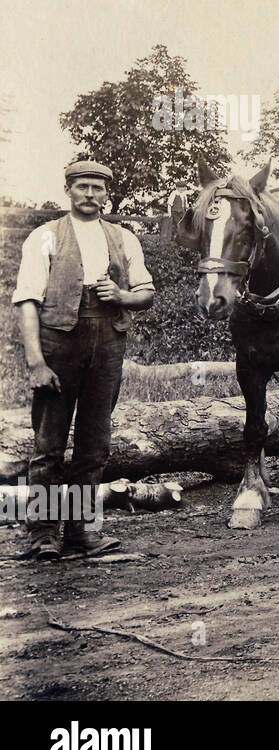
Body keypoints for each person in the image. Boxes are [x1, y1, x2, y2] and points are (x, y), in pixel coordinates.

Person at [11, 161, 155, 559]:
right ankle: (43, 534)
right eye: (82, 187)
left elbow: (146, 292)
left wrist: (122, 296)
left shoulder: (124, 238)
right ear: (68, 190)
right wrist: (36, 362)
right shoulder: (45, 237)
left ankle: (81, 533)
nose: (90, 194)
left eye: (97, 188)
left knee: (94, 444)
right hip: (59, 343)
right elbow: (27, 303)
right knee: (49, 444)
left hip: (108, 342)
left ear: (107, 193)